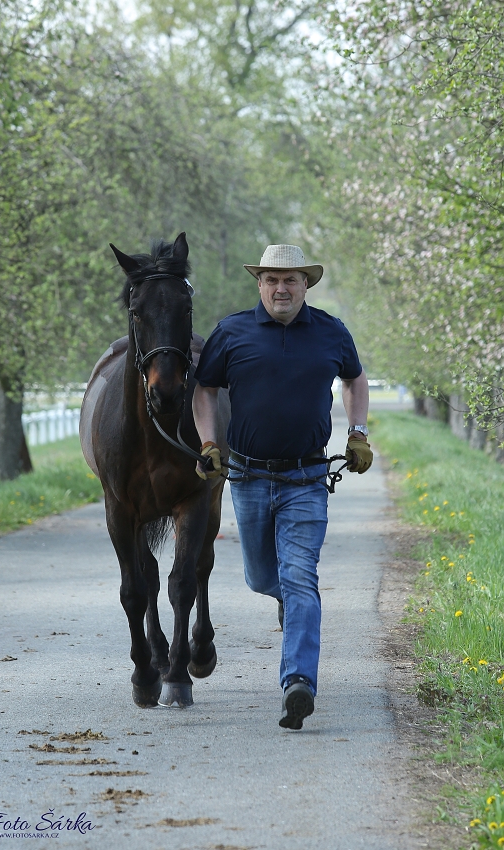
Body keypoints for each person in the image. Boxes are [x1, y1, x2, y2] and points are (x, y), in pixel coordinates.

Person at [192, 244, 372, 730]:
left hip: (308, 478)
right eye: (271, 280)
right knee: (261, 577)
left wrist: (358, 434)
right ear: (259, 285)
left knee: (300, 578)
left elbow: (356, 380)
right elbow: (204, 388)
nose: (280, 288)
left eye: (290, 280)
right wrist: (209, 442)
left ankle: (298, 683)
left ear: (305, 285)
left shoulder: (331, 332)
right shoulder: (231, 332)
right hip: (248, 478)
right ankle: (286, 606)